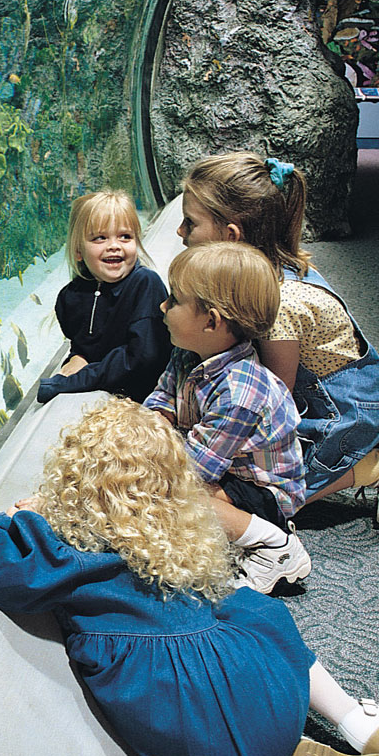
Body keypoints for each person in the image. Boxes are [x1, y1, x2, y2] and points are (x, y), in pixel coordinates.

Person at [0, 397, 379, 756]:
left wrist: (15, 518)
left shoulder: (64, 553)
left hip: (194, 742)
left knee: (213, 720)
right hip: (273, 701)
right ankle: (340, 722)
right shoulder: (176, 546)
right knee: (253, 610)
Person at [178, 152, 379, 528]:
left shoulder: (280, 303)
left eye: (189, 223)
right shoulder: (257, 275)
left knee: (266, 502)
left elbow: (276, 397)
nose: (180, 233)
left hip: (343, 413)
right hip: (312, 398)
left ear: (230, 235)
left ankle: (378, 465)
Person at [145, 242, 311, 594]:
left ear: (211, 321)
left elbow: (196, 469)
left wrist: (145, 464)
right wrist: (157, 420)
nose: (162, 305)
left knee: (173, 498)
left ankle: (273, 546)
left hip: (262, 493)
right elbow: (162, 398)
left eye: (173, 300)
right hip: (222, 470)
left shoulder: (240, 393)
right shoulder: (186, 355)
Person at [37, 189, 171, 404]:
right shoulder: (70, 297)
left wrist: (70, 381)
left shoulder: (146, 284)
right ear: (78, 251)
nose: (114, 246)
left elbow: (143, 359)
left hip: (147, 398)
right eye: (100, 238)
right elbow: (84, 346)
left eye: (125, 236)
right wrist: (78, 357)